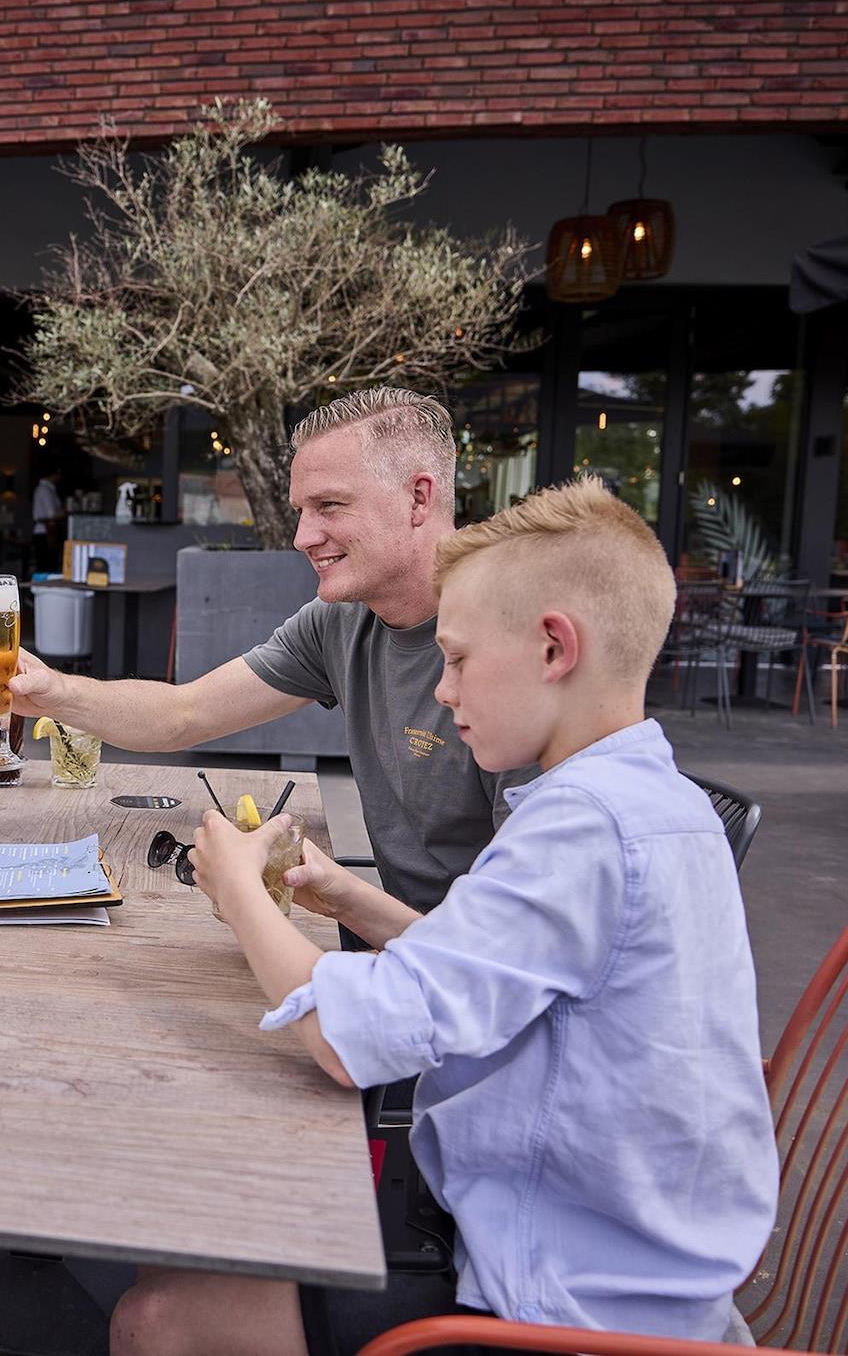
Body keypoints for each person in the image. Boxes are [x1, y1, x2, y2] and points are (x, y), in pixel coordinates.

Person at [126, 477, 777, 1356]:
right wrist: (348, 897)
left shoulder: (581, 833)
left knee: (158, 1315)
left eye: (460, 659)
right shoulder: (650, 801)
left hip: (561, 1310)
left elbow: (342, 1040)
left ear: (554, 648)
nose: (443, 689)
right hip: (631, 1269)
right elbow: (504, 970)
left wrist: (240, 889)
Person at [2, 387, 533, 917]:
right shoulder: (341, 621)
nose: (302, 536)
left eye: (329, 505)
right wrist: (55, 692)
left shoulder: (520, 654)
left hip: (456, 960)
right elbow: (183, 714)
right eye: (301, 510)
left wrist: (330, 899)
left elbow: (516, 946)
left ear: (418, 498)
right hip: (395, 945)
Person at [32, 466, 66, 573]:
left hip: (46, 531)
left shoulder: (46, 489)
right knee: (47, 565)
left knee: (47, 563)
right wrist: (65, 512)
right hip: (46, 531)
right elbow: (51, 514)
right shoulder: (45, 490)